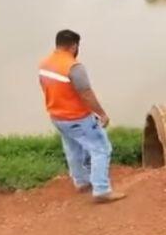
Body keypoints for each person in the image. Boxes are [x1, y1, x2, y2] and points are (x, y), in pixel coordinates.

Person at [38, 29, 125, 203]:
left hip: (57, 116)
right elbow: (86, 93)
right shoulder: (73, 67)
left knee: (73, 148)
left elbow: (46, 87)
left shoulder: (45, 63)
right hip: (77, 118)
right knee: (101, 149)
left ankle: (81, 181)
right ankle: (101, 190)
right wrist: (101, 114)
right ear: (74, 46)